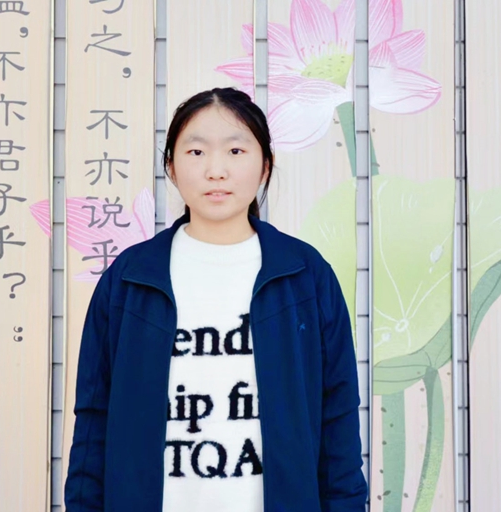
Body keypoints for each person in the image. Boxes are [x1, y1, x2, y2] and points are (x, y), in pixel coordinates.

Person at [65, 87, 368, 512]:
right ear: (171, 167)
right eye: (196, 152)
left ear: (265, 166)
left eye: (236, 151)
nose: (216, 170)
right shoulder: (130, 278)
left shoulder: (305, 275)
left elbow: (337, 418)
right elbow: (94, 419)